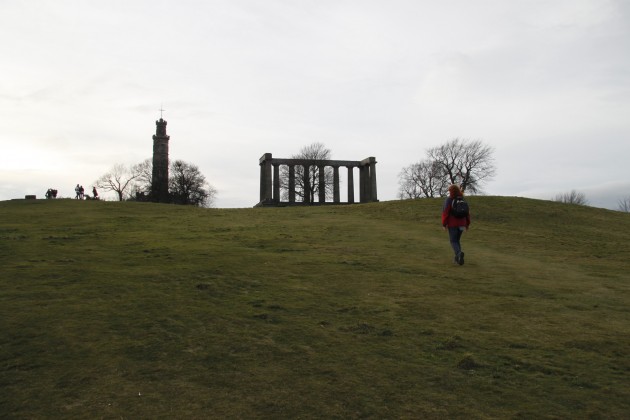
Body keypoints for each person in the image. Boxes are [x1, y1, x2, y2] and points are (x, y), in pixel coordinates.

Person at [441, 184, 471, 265]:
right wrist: (467, 224)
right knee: (457, 241)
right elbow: (467, 213)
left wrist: (444, 224)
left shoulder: (449, 200)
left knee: (453, 241)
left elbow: (445, 212)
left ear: (451, 191)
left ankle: (458, 254)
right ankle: (457, 259)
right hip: (462, 224)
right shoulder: (463, 199)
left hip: (453, 224)